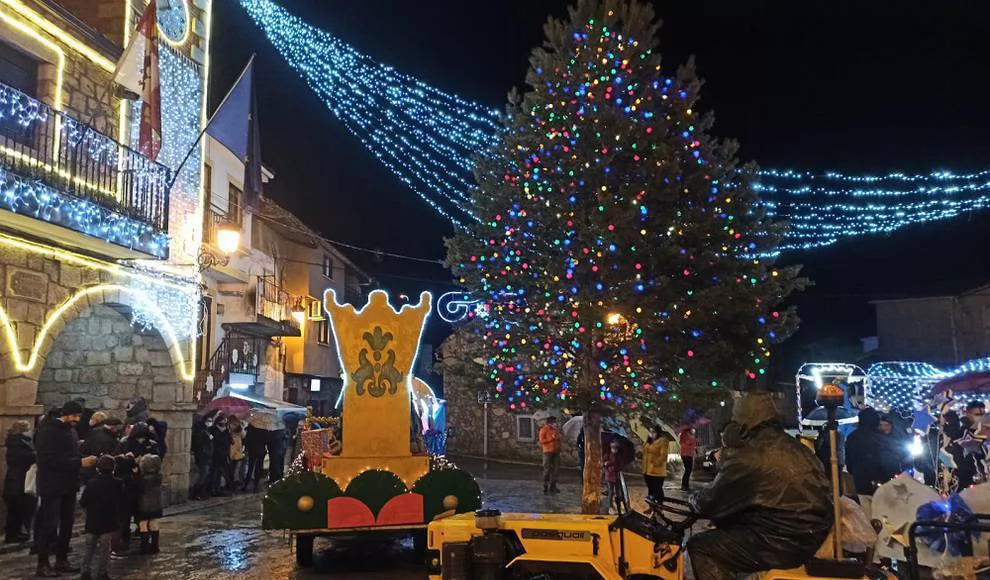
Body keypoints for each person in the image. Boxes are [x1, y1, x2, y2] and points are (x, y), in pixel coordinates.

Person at [688, 392, 833, 580]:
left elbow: (709, 502)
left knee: (701, 545)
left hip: (781, 542)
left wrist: (693, 499)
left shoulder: (749, 456)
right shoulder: (799, 448)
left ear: (742, 425)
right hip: (812, 536)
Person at [35, 400, 97, 577]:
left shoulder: (71, 431)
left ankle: (61, 560)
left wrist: (83, 458)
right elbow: (48, 461)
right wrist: (79, 462)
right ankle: (43, 563)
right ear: (65, 414)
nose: (76, 419)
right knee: (50, 525)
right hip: (52, 485)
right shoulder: (47, 432)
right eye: (74, 416)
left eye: (78, 416)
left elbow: (71, 453)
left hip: (69, 483)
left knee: (67, 524)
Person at [79, 456, 122, 580]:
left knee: (89, 549)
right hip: (108, 522)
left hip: (92, 522)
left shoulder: (91, 484)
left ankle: (85, 572)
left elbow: (83, 502)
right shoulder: (117, 483)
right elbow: (121, 499)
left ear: (98, 469)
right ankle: (102, 573)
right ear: (113, 468)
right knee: (104, 550)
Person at [845, 407, 898, 495]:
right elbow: (889, 461)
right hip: (881, 479)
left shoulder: (852, 437)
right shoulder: (882, 438)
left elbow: (849, 462)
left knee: (865, 503)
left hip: (860, 478)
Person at [3, 420, 36, 544]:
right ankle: (12, 534)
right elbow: (29, 457)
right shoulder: (17, 444)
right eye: (28, 429)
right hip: (17, 480)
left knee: (18, 509)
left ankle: (17, 532)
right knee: (15, 509)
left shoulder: (19, 442)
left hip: (17, 479)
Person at [944, 400, 988, 490]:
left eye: (982, 414)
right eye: (977, 414)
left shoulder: (984, 431)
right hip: (965, 476)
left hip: (983, 475)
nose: (980, 417)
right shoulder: (961, 432)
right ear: (967, 413)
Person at [135, 455, 163, 555]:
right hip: (156, 504)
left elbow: (138, 490)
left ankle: (144, 548)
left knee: (143, 525)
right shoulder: (158, 476)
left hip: (144, 505)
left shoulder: (142, 479)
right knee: (154, 523)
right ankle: (155, 546)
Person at [642, 425, 669, 501]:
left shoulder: (662, 441)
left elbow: (663, 455)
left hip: (657, 472)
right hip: (647, 471)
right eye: (650, 431)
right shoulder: (648, 442)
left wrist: (655, 462)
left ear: (658, 432)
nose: (651, 433)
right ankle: (651, 507)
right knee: (651, 491)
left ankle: (659, 508)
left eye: (653, 432)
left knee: (657, 491)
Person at [603, 438, 629, 513]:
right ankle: (610, 506)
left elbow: (621, 465)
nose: (614, 450)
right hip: (609, 476)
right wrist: (608, 463)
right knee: (611, 492)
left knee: (618, 492)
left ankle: (619, 506)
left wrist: (619, 466)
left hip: (617, 476)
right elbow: (604, 463)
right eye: (613, 448)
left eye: (616, 448)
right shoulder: (607, 454)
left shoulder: (619, 456)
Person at [191, 415, 215, 500]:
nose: (210, 422)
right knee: (203, 474)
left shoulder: (206, 431)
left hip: (206, 456)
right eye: (208, 420)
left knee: (205, 474)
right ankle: (197, 493)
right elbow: (201, 445)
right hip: (203, 456)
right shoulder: (202, 433)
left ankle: (201, 492)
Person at [208, 416, 232, 496]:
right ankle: (211, 489)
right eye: (223, 420)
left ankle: (217, 489)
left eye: (225, 420)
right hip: (214, 454)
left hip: (223, 454)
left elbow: (230, 441)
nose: (224, 421)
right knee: (213, 472)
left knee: (220, 473)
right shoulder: (213, 429)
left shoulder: (226, 431)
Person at [538, 416, 561, 494]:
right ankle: (545, 485)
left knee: (556, 469)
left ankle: (553, 485)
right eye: (554, 422)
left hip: (556, 451)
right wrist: (552, 438)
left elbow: (558, 438)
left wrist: (558, 438)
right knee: (547, 469)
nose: (555, 424)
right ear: (549, 423)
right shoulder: (544, 429)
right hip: (547, 451)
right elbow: (542, 441)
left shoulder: (556, 429)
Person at [242, 422, 267, 493]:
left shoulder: (250, 430)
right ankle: (255, 487)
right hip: (261, 451)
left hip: (252, 451)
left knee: (250, 468)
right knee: (258, 469)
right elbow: (266, 441)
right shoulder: (263, 431)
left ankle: (245, 486)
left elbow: (246, 441)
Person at [679, 426, 699, 491]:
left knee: (689, 470)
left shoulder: (691, 434)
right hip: (685, 454)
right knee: (688, 470)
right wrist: (693, 440)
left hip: (690, 454)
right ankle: (684, 485)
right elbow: (683, 442)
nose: (693, 429)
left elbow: (693, 445)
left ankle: (686, 485)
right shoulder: (684, 434)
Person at [229, 421, 245, 491]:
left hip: (237, 456)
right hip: (232, 455)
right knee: (233, 470)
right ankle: (234, 482)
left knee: (236, 469)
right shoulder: (229, 435)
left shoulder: (238, 435)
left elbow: (239, 446)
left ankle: (236, 482)